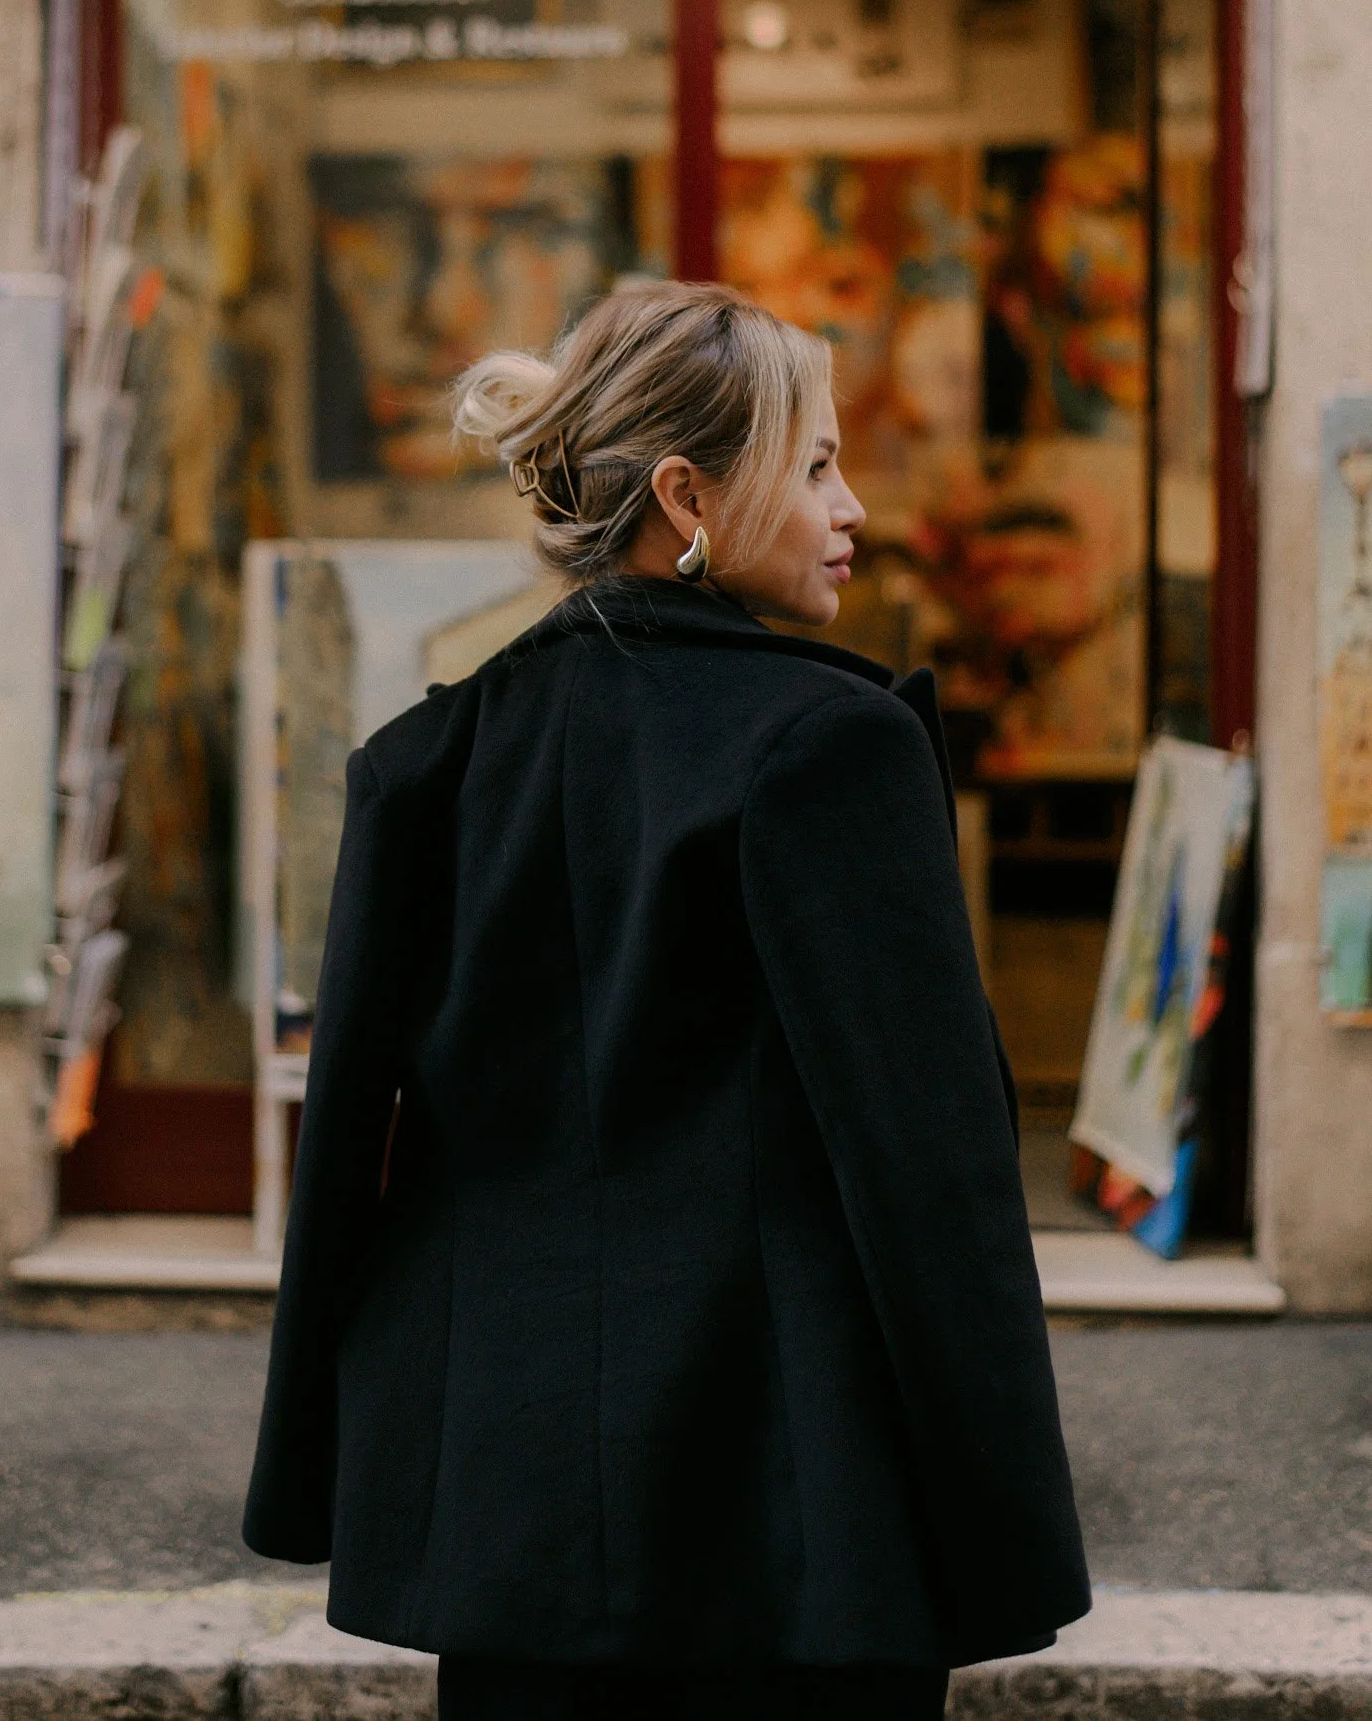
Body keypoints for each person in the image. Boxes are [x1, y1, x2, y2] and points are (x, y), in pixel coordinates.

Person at [244, 280, 1089, 1719]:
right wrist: (1002, 1525)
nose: (854, 511)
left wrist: (321, 1470)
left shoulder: (424, 763)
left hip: (503, 1505)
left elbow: (348, 1158)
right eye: (815, 465)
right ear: (687, 494)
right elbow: (930, 1178)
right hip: (791, 1515)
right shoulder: (830, 752)